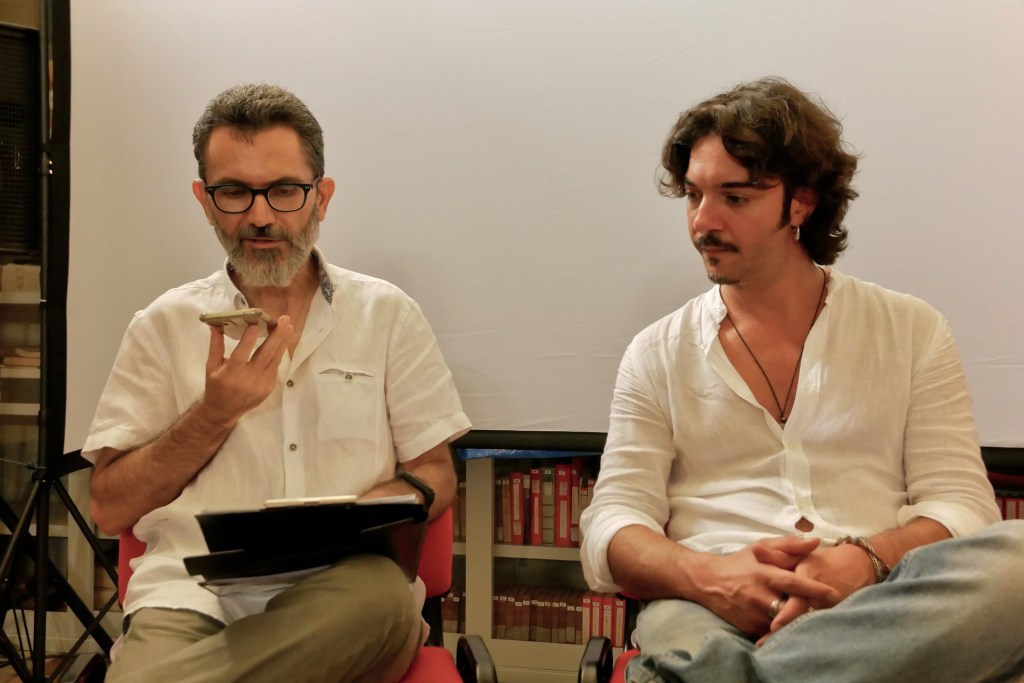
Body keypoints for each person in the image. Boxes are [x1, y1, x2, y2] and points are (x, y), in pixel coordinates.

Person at [579, 77, 1024, 682]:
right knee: (687, 643)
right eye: (693, 195)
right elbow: (611, 526)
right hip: (710, 603)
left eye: (735, 198)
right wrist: (712, 576)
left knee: (1017, 562)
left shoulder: (911, 329)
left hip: (879, 600)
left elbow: (964, 506)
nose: (703, 222)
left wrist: (864, 560)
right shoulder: (656, 351)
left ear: (801, 203)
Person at [83, 83, 471, 683]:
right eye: (234, 192)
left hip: (346, 594)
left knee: (386, 599)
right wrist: (211, 416)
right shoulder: (162, 325)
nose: (261, 216)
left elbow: (437, 472)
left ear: (322, 197)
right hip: (190, 596)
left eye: (285, 191)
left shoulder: (388, 314)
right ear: (204, 201)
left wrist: (384, 505)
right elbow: (110, 508)